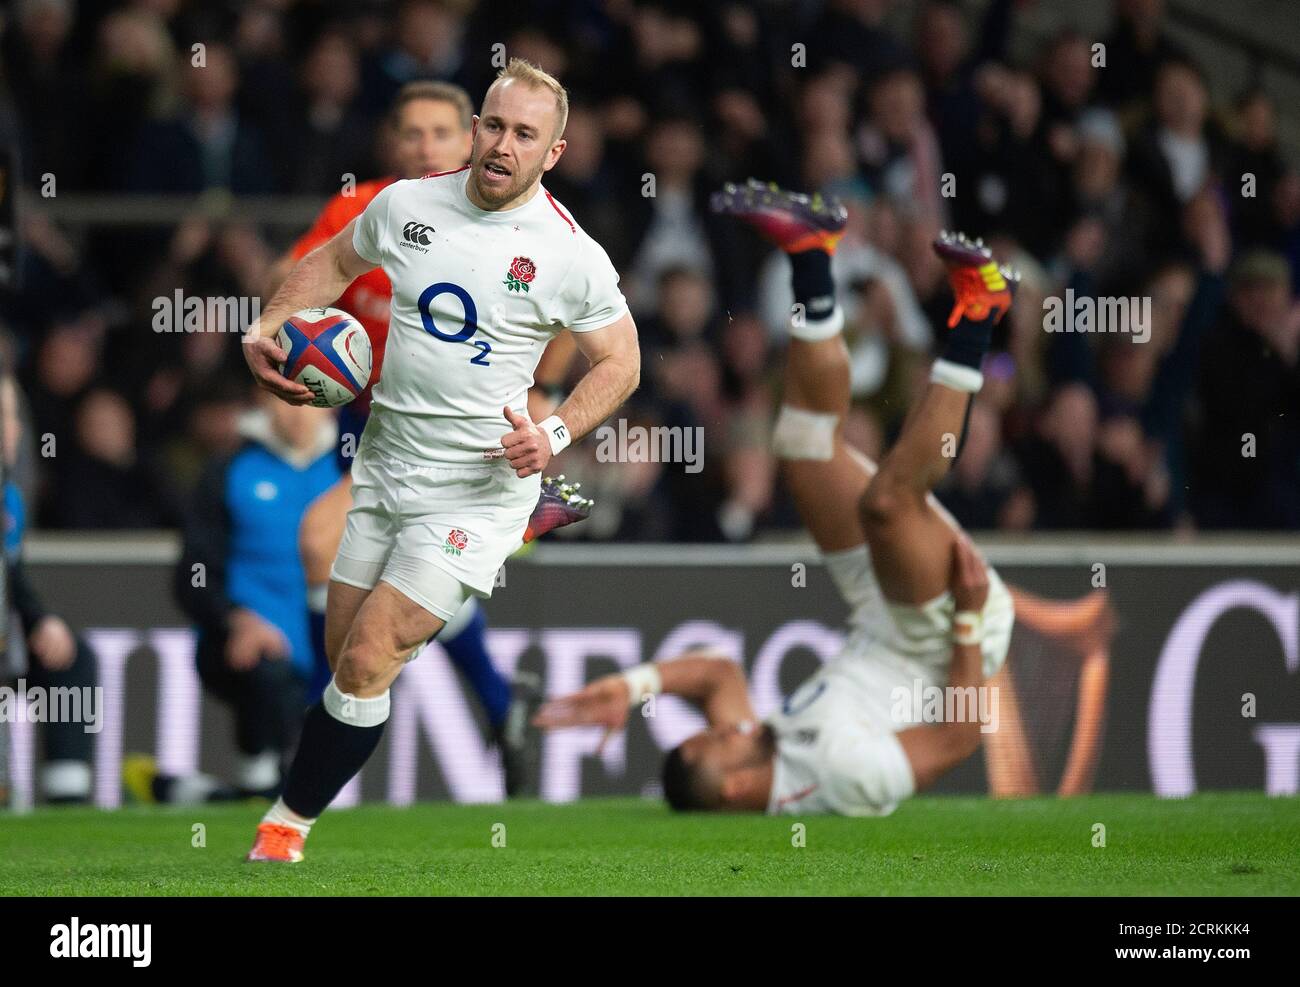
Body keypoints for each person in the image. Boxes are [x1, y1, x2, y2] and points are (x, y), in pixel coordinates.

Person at [241, 59, 641, 860]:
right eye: (494, 125)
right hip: (386, 467)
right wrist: (273, 319)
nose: (502, 144)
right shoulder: (405, 204)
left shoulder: (570, 253)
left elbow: (622, 363)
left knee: (365, 657)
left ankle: (283, 828)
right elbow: (335, 263)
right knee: (347, 666)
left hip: (476, 485)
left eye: (524, 134)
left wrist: (554, 433)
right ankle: (509, 548)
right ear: (477, 128)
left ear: (552, 153)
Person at [536, 181, 1017, 815]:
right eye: (712, 742)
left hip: (878, 613)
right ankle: (979, 316)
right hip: (944, 637)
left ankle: (813, 255)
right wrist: (969, 619)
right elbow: (956, 739)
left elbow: (717, 675)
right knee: (885, 505)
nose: (718, 727)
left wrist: (633, 686)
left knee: (802, 445)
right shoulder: (838, 777)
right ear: (736, 786)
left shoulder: (764, 744)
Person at [153, 390, 338, 804]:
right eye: (287, 398)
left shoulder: (356, 469)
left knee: (295, 785)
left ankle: (204, 794)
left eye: (310, 398)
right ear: (263, 401)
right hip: (248, 648)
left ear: (335, 401)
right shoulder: (229, 468)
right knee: (267, 672)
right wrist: (236, 619)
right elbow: (193, 576)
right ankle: (257, 780)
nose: (297, 413)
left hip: (332, 649)